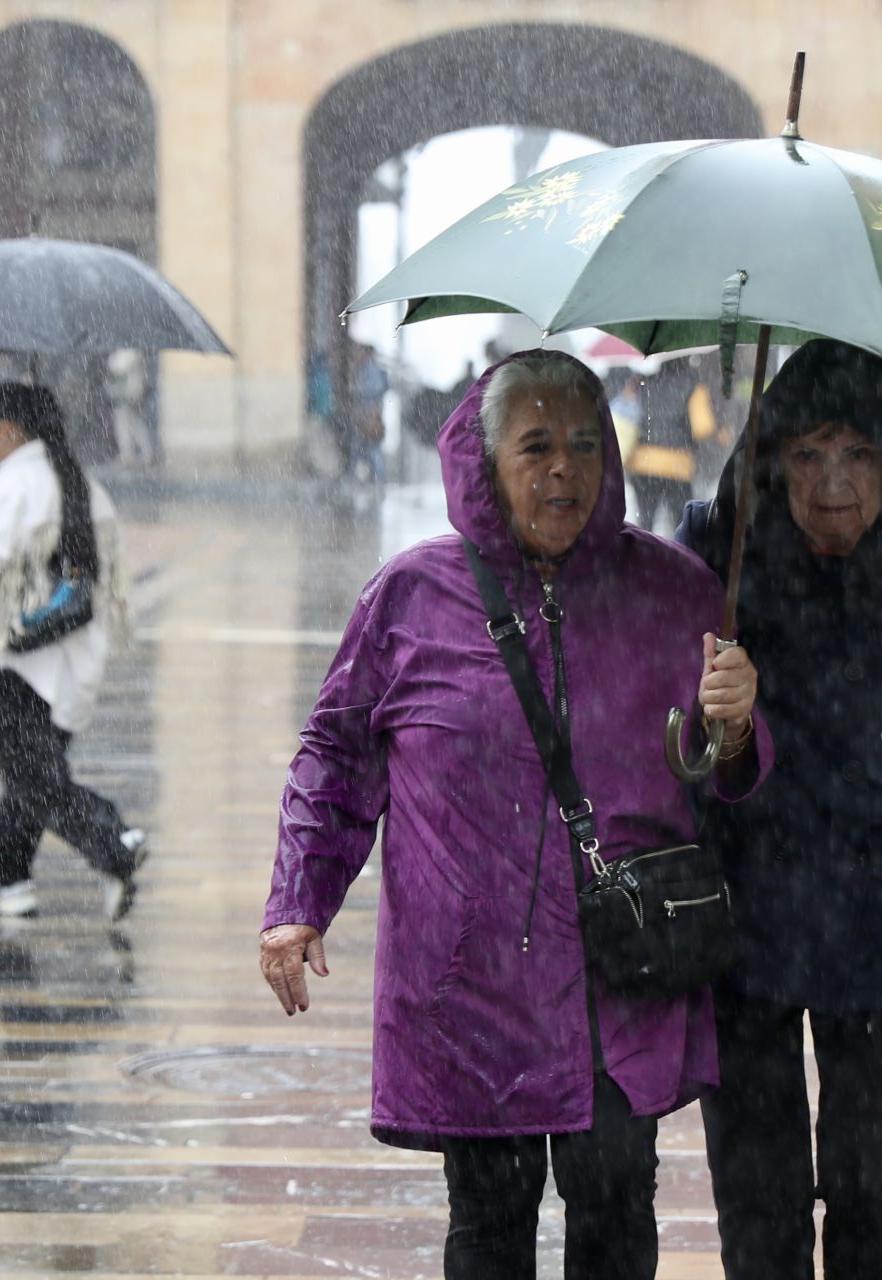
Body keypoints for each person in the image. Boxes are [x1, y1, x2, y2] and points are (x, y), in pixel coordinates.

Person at [261, 350, 772, 1280]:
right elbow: (336, 754)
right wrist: (299, 901)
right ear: (483, 461)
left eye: (584, 443)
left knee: (617, 1209)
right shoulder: (410, 598)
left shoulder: (676, 592)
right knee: (489, 1226)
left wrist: (734, 728)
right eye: (535, 446)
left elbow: (723, 782)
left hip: (620, 970)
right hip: (473, 980)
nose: (564, 469)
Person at [678, 340, 882, 1280]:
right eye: (810, 455)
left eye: (858, 456)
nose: (833, 486)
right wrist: (717, 721)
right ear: (771, 455)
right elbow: (662, 737)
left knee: (875, 1183)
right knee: (760, 1187)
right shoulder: (716, 549)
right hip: (747, 912)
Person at [0, 383, 147, 922]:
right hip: (74, 659)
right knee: (31, 777)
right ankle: (2, 881)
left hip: (20, 661)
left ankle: (113, 839)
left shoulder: (18, 483)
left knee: (34, 781)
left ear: (7, 429)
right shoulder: (84, 485)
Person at [626, 355, 703, 532]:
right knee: (681, 526)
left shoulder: (644, 383)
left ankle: (644, 557)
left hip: (643, 462)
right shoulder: (693, 385)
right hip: (677, 465)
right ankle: (676, 557)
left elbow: (630, 416)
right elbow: (702, 427)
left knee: (645, 524)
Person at [102, 348, 155, 467]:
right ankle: (143, 453)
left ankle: (130, 454)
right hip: (128, 391)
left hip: (130, 392)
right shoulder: (134, 348)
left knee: (125, 421)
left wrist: (110, 359)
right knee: (133, 422)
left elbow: (118, 366)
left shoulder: (132, 349)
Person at [347, 344, 389, 484]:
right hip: (365, 417)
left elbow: (371, 391)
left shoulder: (371, 369)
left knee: (371, 449)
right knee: (360, 447)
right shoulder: (365, 368)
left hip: (369, 416)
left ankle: (378, 479)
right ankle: (362, 477)